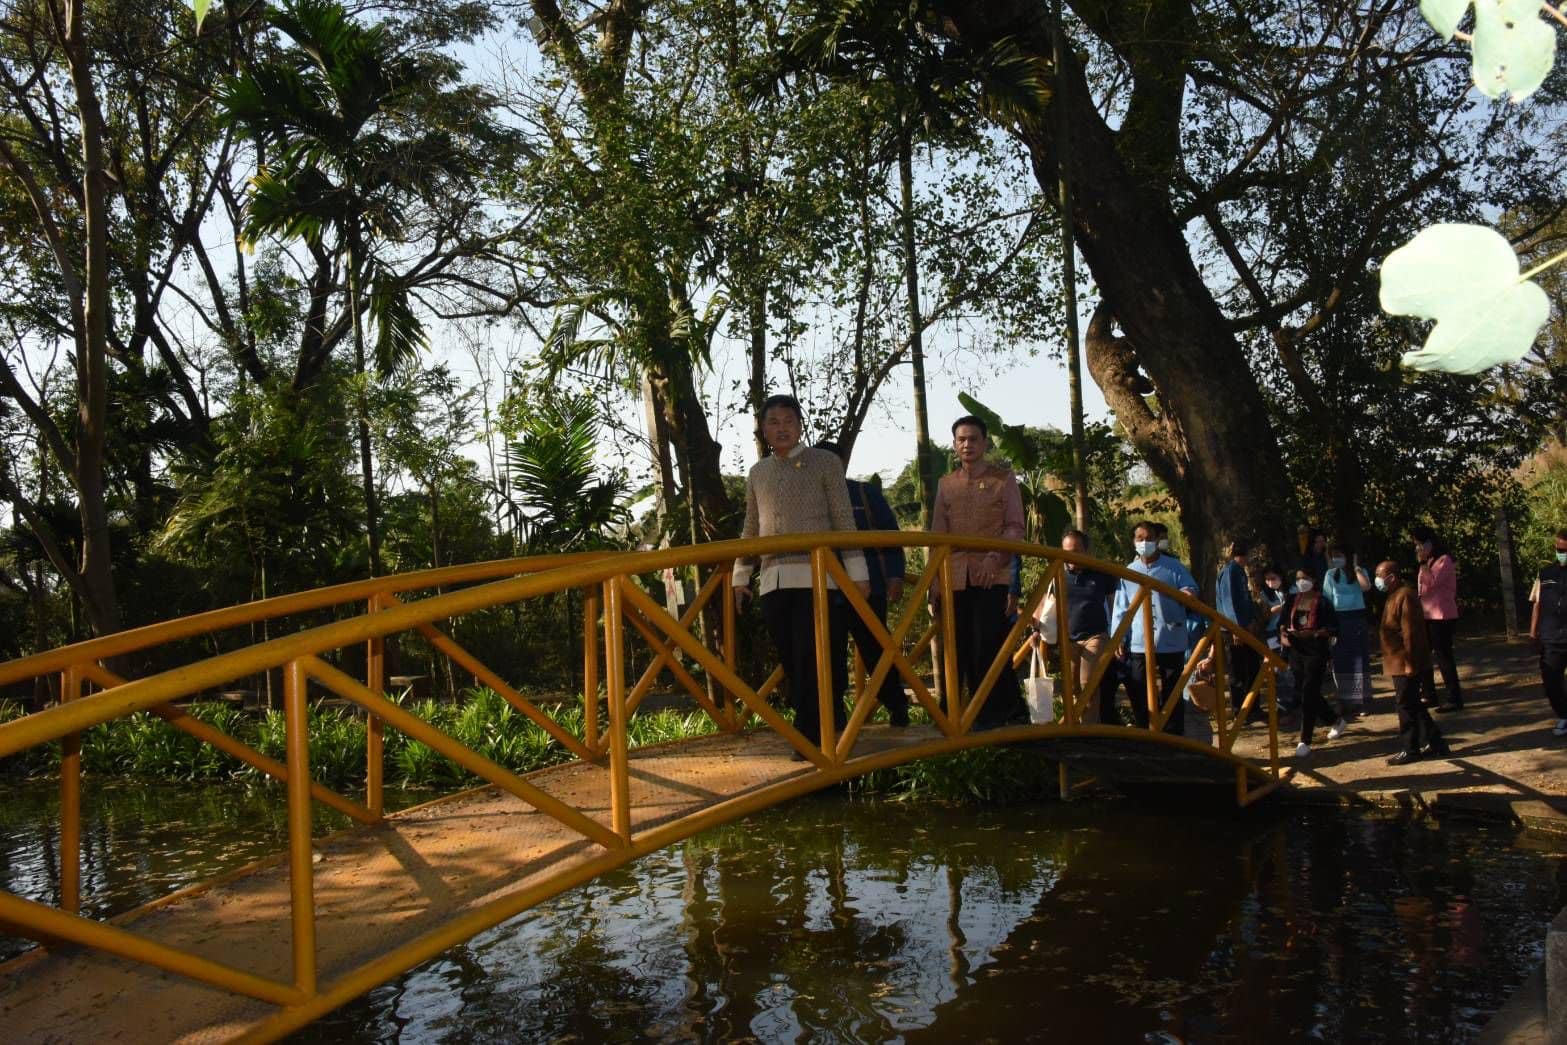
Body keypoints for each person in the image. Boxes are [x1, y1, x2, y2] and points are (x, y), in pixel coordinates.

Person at [732, 396, 870, 759]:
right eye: (773, 422)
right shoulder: (758, 472)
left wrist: (858, 574)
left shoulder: (824, 462)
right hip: (773, 581)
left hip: (818, 579)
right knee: (792, 661)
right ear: (763, 430)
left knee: (814, 659)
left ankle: (810, 738)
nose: (781, 428)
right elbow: (751, 526)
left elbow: (844, 520)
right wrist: (740, 576)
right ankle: (828, 725)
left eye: (788, 420)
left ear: (799, 425)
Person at [929, 415, 1028, 729]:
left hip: (992, 575)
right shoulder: (946, 484)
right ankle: (957, 714)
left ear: (985, 443)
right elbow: (937, 535)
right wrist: (934, 582)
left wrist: (994, 557)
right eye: (961, 439)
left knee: (987, 643)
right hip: (954, 575)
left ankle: (999, 714)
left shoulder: (1004, 479)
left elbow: (1015, 526)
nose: (967, 445)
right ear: (954, 445)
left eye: (973, 439)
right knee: (957, 645)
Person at [815, 440, 909, 727]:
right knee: (828, 655)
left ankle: (898, 707)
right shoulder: (807, 501)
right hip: (824, 591)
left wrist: (895, 576)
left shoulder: (864, 494)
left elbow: (890, 535)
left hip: (868, 589)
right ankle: (834, 721)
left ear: (842, 464)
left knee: (876, 651)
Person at [1109, 520, 1199, 736]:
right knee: (1139, 687)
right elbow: (1121, 608)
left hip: (1170, 637)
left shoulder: (1173, 566)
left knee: (1172, 689)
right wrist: (1118, 637)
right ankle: (1145, 731)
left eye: (1149, 538)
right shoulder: (1129, 572)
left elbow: (1191, 588)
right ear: (1133, 542)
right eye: (1140, 538)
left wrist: (1188, 593)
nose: (1145, 542)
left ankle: (1174, 735)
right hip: (1139, 641)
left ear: (1157, 540)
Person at [1034, 529, 1118, 724]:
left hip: (1095, 634)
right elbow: (1044, 604)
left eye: (1076, 551)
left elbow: (1115, 601)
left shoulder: (1101, 573)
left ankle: (1090, 727)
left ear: (1087, 552)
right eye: (1066, 551)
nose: (1071, 556)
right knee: (1072, 687)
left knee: (1088, 682)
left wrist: (1117, 634)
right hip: (1069, 637)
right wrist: (1036, 630)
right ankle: (1077, 725)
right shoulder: (1058, 574)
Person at [1374, 560, 1448, 764]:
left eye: (1380, 576)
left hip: (1405, 660)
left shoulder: (1405, 595)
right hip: (1397, 659)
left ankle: (1411, 749)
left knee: (1405, 705)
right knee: (1413, 702)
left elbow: (1410, 633)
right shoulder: (1393, 595)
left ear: (1392, 577)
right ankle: (1435, 741)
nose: (1377, 580)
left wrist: (1409, 662)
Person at [1281, 565, 1347, 758]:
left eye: (1304, 578)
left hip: (1316, 651)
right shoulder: (1291, 600)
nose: (1301, 582)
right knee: (1304, 692)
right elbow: (1282, 624)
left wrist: (1316, 633)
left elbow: (1334, 628)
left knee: (1309, 692)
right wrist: (1284, 635)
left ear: (1313, 580)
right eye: (1297, 578)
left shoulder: (1323, 602)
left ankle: (1305, 739)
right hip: (1296, 650)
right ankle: (1335, 720)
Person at [1412, 525, 1464, 712]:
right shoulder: (1429, 561)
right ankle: (1429, 694)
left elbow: (1431, 582)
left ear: (1429, 543)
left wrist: (1422, 563)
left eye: (1419, 544)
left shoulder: (1444, 560)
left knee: (1443, 655)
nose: (1417, 548)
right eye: (1415, 545)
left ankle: (1454, 697)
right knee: (1424, 654)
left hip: (1442, 615)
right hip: (1426, 614)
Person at [1323, 540, 1374, 717]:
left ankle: (1362, 702)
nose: (1336, 559)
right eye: (1333, 556)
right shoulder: (1330, 574)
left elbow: (1366, 587)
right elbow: (1327, 599)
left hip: (1357, 619)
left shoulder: (1360, 572)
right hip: (1338, 620)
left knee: (1359, 661)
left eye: (1339, 556)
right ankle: (1345, 701)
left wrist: (1356, 567)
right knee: (1341, 662)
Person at [1212, 539, 1261, 716]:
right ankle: (1239, 710)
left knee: (1252, 667)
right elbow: (1229, 602)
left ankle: (1253, 708)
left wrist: (1252, 619)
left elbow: (1245, 599)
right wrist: (1235, 628)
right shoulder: (1230, 571)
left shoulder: (1239, 571)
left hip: (1246, 627)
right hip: (1233, 629)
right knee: (1238, 671)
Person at [1528, 527, 1567, 737]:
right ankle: (1564, 715)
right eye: (1559, 549)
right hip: (1551, 637)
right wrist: (1533, 632)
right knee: (1551, 682)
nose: (1562, 553)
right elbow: (1537, 603)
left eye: (1565, 550)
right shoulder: (1545, 574)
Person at [1260, 564, 1295, 712]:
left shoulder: (1292, 590)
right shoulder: (1264, 594)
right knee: (1277, 670)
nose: (1270, 582)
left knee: (1290, 669)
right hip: (1272, 633)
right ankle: (1281, 705)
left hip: (1290, 632)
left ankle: (1292, 702)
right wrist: (1273, 611)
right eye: (1267, 579)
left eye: (1273, 578)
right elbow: (1263, 615)